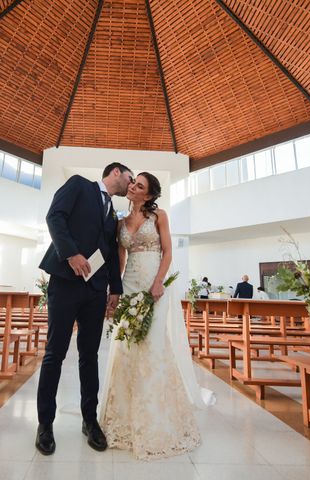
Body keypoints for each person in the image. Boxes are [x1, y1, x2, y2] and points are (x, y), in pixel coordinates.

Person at [99, 172, 214, 460]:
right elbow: (121, 258)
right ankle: (123, 418)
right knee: (126, 346)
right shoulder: (120, 222)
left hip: (154, 287)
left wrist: (159, 281)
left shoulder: (159, 215)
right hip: (130, 285)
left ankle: (155, 417)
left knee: (152, 346)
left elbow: (167, 251)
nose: (133, 187)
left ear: (148, 195)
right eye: (133, 182)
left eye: (139, 185)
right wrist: (116, 290)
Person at [36, 162, 134, 456]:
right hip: (66, 282)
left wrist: (114, 289)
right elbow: (55, 216)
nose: (131, 185)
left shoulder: (113, 214)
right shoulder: (79, 184)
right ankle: (45, 425)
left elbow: (112, 253)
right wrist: (72, 254)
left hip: (95, 291)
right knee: (55, 353)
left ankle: (90, 421)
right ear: (116, 172)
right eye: (130, 178)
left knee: (89, 356)